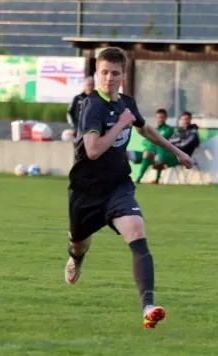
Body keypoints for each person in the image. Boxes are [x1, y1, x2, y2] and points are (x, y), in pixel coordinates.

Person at [64, 47, 192, 329]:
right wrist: (121, 124)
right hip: (86, 192)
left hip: (118, 186)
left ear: (123, 76)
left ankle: (148, 305)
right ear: (97, 74)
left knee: (136, 231)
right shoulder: (92, 106)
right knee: (78, 242)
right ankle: (76, 257)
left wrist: (177, 151)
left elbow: (145, 129)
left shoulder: (127, 102)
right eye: (104, 73)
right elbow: (93, 150)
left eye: (115, 73)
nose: (109, 78)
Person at [129, 108, 174, 184]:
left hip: (164, 154)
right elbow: (144, 141)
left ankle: (154, 179)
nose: (160, 119)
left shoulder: (169, 129)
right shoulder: (153, 129)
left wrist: (152, 140)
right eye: (158, 117)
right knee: (138, 153)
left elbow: (162, 139)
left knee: (156, 152)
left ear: (166, 118)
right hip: (151, 152)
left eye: (162, 117)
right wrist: (152, 141)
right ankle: (135, 179)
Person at [152, 111, 200, 180]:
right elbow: (171, 141)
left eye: (187, 119)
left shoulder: (193, 132)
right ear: (181, 120)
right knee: (161, 146)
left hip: (185, 156)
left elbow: (185, 144)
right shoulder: (179, 131)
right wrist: (173, 146)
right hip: (175, 154)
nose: (185, 121)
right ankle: (161, 164)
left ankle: (161, 164)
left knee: (161, 151)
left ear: (190, 119)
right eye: (183, 119)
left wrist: (174, 146)